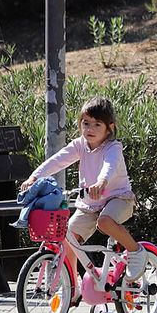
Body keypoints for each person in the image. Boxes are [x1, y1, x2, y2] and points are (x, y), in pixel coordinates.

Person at [20, 97, 144, 281]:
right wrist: (35, 177)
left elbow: (109, 167)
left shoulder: (113, 148)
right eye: (86, 123)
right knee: (67, 239)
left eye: (97, 124)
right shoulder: (80, 145)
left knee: (105, 221)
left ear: (110, 127)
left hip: (119, 199)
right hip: (90, 204)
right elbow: (58, 160)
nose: (90, 129)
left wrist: (101, 183)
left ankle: (136, 252)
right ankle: (72, 288)